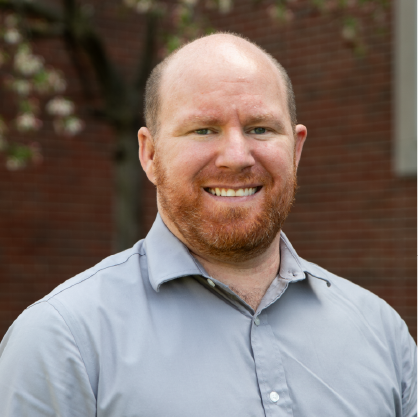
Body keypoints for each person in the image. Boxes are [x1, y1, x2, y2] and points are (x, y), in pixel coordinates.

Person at [0, 32, 417, 417]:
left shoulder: (382, 333)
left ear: (296, 149)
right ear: (149, 154)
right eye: (203, 130)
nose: (236, 156)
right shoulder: (61, 340)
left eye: (260, 128)